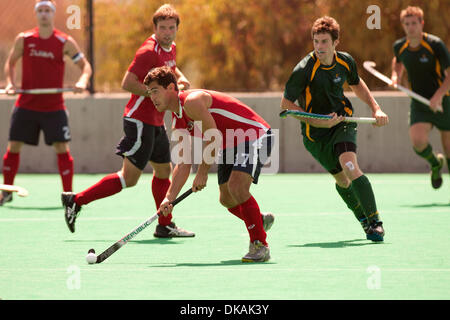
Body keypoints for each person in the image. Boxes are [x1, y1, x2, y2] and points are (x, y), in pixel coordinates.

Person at [61, 4, 194, 237]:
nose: (167, 32)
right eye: (162, 28)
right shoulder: (148, 52)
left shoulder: (170, 48)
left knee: (164, 171)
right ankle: (76, 200)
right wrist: (157, 94)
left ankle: (165, 225)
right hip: (139, 121)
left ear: (176, 29)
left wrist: (181, 79)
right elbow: (127, 82)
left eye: (171, 28)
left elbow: (172, 68)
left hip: (155, 122)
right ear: (155, 28)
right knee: (129, 179)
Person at [143, 66, 275, 262]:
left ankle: (259, 245)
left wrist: (203, 173)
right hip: (231, 144)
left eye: (155, 91)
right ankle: (258, 219)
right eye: (149, 93)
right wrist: (168, 198)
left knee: (237, 186)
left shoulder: (192, 102)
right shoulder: (178, 120)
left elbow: (213, 136)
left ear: (171, 88)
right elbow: (184, 162)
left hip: (253, 135)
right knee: (227, 199)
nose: (152, 97)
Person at [281, 16, 389, 241]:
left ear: (335, 42)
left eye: (324, 42)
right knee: (342, 181)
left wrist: (376, 108)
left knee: (349, 165)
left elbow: (357, 83)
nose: (319, 47)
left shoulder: (345, 61)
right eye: (316, 41)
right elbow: (286, 106)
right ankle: (364, 221)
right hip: (315, 134)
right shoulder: (304, 69)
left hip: (343, 123)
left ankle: (376, 221)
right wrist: (319, 121)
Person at [0, 0, 92, 206]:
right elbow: (11, 62)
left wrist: (82, 81)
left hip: (54, 107)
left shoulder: (64, 42)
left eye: (47, 11)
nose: (44, 14)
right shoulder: (24, 39)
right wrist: (11, 84)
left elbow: (85, 66)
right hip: (26, 105)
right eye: (40, 10)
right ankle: (6, 192)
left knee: (61, 147)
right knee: (14, 146)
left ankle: (68, 194)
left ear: (52, 14)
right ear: (36, 14)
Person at [391, 6, 450, 189]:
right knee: (418, 142)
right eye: (407, 24)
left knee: (449, 148)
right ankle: (435, 163)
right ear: (403, 25)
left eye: (414, 23)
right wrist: (395, 76)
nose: (410, 27)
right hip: (419, 102)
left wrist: (438, 96)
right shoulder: (400, 46)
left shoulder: (435, 44)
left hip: (444, 100)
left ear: (421, 23)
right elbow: (397, 61)